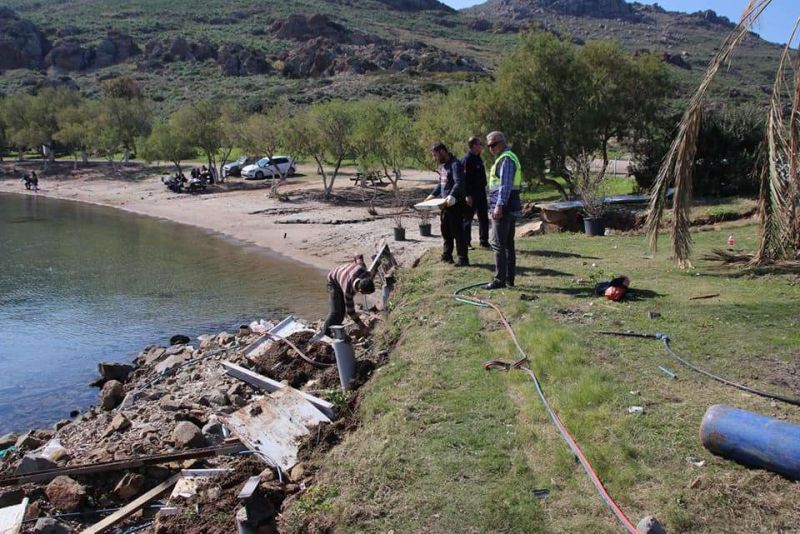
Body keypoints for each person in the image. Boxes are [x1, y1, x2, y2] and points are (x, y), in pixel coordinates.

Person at [484, 131, 522, 290]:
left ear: (502, 142)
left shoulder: (506, 159)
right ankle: (508, 279)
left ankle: (500, 279)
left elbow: (505, 186)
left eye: (493, 145)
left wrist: (499, 205)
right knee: (507, 244)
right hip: (509, 207)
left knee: (499, 244)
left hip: (504, 209)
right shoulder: (506, 158)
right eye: (488, 146)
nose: (490, 148)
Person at [424, 142, 469, 267]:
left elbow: (458, 183)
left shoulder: (456, 164)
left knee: (457, 232)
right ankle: (447, 256)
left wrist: (451, 195)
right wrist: (431, 196)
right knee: (446, 232)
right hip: (445, 206)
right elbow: (441, 184)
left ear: (442, 152)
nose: (434, 159)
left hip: (455, 205)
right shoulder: (444, 167)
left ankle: (463, 259)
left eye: (435, 155)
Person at [322, 254, 376, 337]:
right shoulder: (348, 291)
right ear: (360, 291)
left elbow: (359, 259)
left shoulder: (365, 273)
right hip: (332, 282)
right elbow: (350, 312)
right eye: (367, 293)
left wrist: (357, 256)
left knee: (341, 313)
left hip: (343, 273)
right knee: (335, 312)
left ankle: (336, 332)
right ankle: (325, 334)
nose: (367, 295)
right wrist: (362, 326)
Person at [462, 136, 490, 250]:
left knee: (483, 217)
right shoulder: (467, 159)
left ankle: (484, 241)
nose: (481, 146)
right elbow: (463, 179)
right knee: (467, 218)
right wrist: (467, 195)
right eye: (480, 144)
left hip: (481, 192)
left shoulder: (478, 158)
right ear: (474, 145)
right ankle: (466, 243)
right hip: (471, 194)